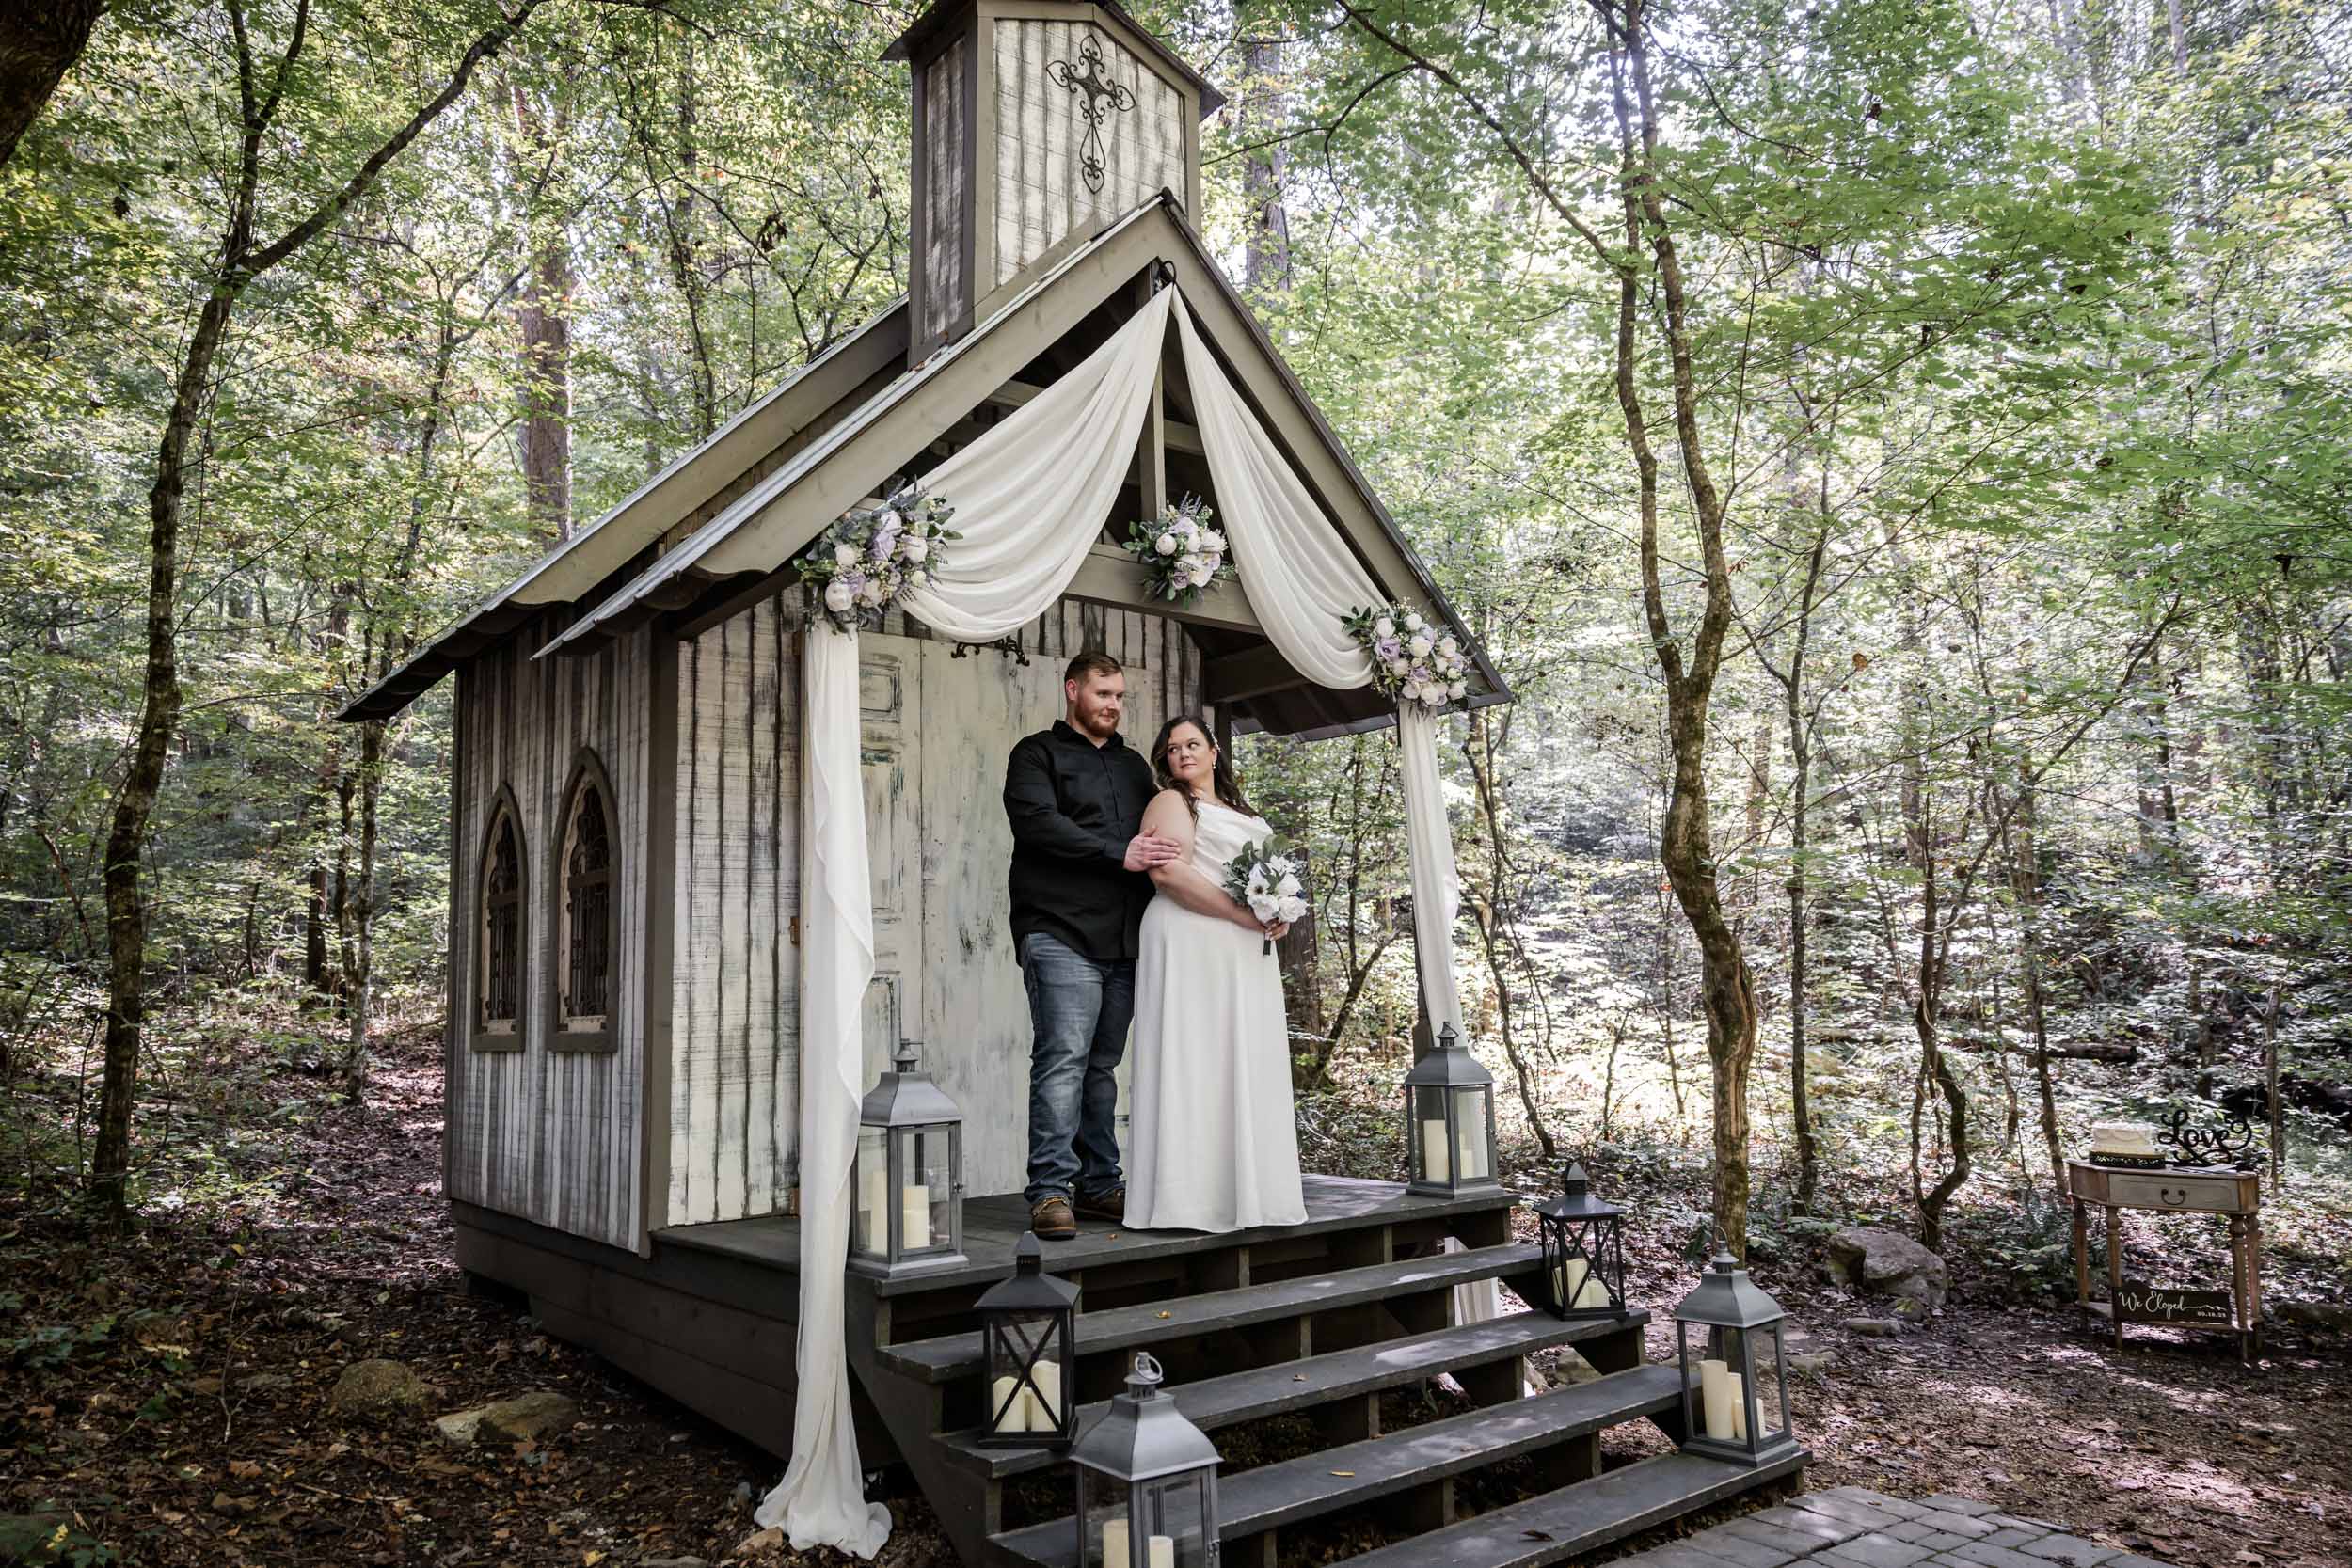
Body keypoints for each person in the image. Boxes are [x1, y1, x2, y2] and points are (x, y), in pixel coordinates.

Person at [1003, 652, 1181, 1240]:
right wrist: (1117, 852)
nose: (1112, 704)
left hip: (1125, 936)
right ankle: (1050, 1191)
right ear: (1073, 690)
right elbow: (1036, 823)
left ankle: (1100, 1185)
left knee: (1101, 1066)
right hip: (1057, 929)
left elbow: (1173, 829)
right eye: (1103, 693)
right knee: (1062, 1060)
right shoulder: (1036, 754)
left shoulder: (1135, 767)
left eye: (1120, 696)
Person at [1123, 715, 1308, 1233]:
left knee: (1241, 1057)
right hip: (1190, 936)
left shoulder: (1243, 812)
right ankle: (1188, 1200)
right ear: (1165, 759)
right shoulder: (1171, 803)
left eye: (1193, 744)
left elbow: (1269, 880)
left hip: (1242, 951)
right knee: (1194, 1056)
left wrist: (1276, 914)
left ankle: (1249, 1194)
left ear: (1214, 751)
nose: (1184, 754)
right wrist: (1244, 915)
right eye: (1173, 748)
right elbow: (1169, 873)